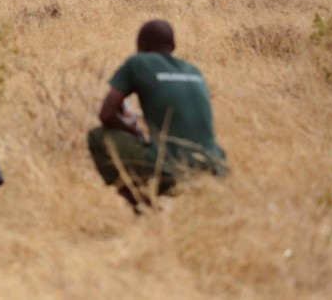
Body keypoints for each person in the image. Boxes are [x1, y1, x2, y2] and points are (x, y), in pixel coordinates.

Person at [87, 19, 228, 213]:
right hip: (215, 166)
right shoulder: (194, 71)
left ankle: (142, 208)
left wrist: (133, 130)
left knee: (97, 136)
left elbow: (106, 114)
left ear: (140, 46)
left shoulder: (138, 62)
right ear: (173, 46)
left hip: (168, 168)